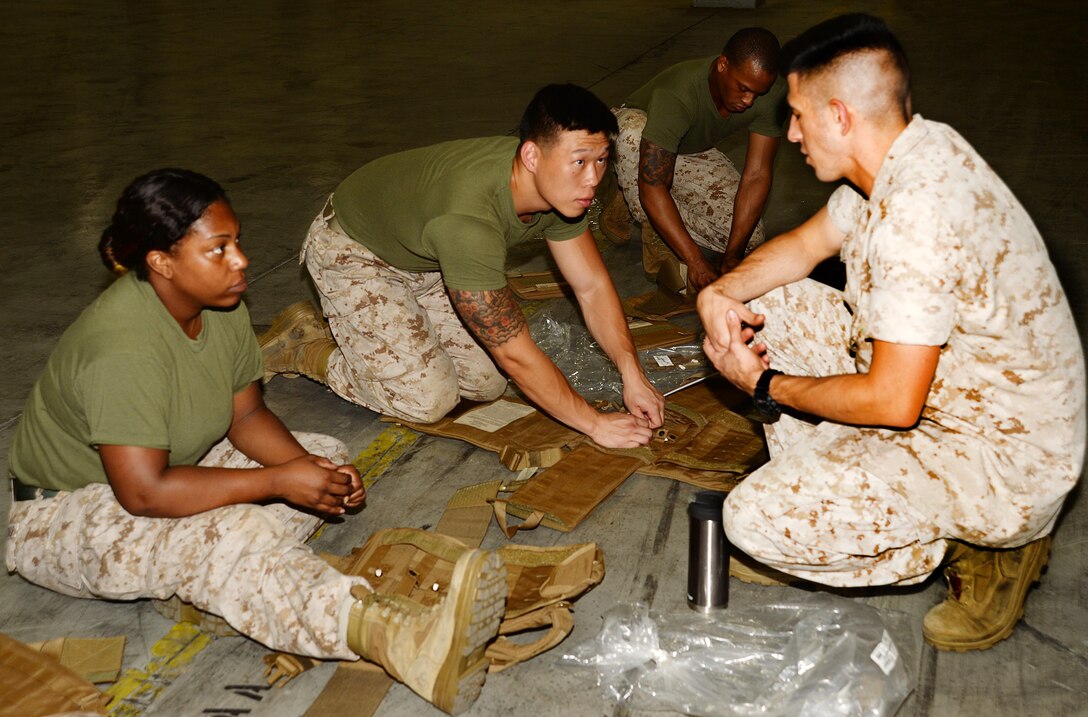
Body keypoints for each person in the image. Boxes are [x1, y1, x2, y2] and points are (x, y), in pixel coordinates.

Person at [4, 169, 507, 715]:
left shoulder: (220, 307)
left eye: (236, 241)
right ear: (161, 262)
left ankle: (221, 584)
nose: (240, 260)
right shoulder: (122, 349)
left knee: (322, 459)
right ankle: (398, 640)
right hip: (68, 513)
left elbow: (245, 416)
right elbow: (144, 494)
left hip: (172, 466)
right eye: (217, 249)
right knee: (239, 524)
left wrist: (301, 471)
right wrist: (274, 481)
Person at [697, 14, 1085, 651]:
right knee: (769, 300)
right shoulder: (908, 150)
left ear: (841, 116)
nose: (789, 132)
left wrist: (764, 384)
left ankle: (972, 548)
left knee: (749, 520)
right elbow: (807, 244)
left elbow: (893, 402)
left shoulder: (916, 221)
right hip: (958, 395)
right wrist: (720, 291)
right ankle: (834, 501)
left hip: (1002, 461)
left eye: (797, 115)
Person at [262, 84, 665, 448]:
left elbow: (591, 286)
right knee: (427, 399)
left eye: (601, 161)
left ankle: (386, 333)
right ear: (530, 155)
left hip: (426, 256)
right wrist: (595, 424)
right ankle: (306, 348)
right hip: (355, 250)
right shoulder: (470, 223)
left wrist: (632, 373)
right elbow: (515, 355)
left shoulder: (559, 189)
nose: (593, 179)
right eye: (579, 161)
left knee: (484, 383)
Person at [605, 27, 787, 294]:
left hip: (689, 150)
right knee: (632, 134)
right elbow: (654, 186)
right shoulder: (679, 90)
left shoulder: (768, 92)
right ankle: (638, 205)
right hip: (639, 137)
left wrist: (733, 255)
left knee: (750, 237)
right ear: (723, 64)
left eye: (758, 93)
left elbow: (757, 175)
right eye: (743, 89)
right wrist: (695, 260)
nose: (749, 101)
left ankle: (636, 197)